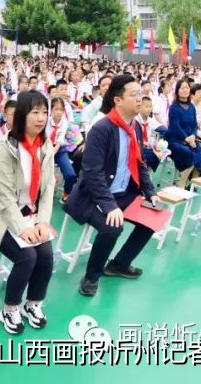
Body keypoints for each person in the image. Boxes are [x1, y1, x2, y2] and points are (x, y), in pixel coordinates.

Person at [0, 91, 56, 335]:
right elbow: (5, 197)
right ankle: (9, 309)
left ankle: (33, 304)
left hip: (33, 215)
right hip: (4, 218)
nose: (41, 118)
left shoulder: (45, 145)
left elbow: (48, 187)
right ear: (21, 116)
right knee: (27, 258)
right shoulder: (6, 149)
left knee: (46, 256)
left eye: (44, 112)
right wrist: (24, 229)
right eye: (34, 112)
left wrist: (42, 222)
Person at [65, 74, 157, 297]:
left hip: (123, 192)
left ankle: (119, 263)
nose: (139, 99)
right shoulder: (102, 128)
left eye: (140, 94)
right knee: (112, 226)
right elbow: (92, 172)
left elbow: (139, 162)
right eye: (133, 94)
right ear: (117, 100)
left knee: (153, 218)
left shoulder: (134, 126)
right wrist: (109, 206)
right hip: (94, 196)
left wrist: (150, 192)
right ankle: (91, 276)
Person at [166, 80, 201, 187]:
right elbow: (175, 127)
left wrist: (193, 136)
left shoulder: (191, 107)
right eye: (182, 88)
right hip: (175, 140)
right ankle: (182, 182)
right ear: (177, 91)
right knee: (190, 153)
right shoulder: (174, 107)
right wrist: (187, 139)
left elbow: (195, 125)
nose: (185, 90)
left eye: (187, 87)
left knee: (200, 151)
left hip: (190, 139)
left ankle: (192, 183)